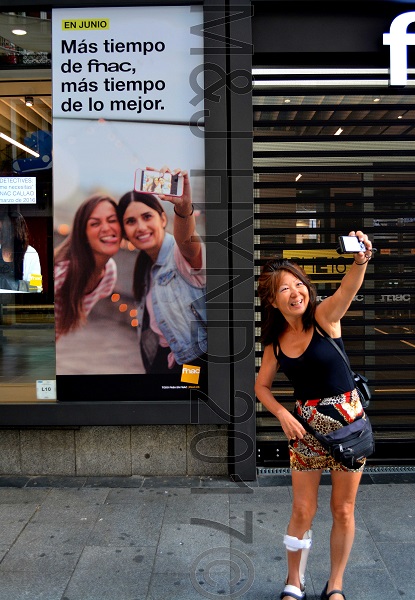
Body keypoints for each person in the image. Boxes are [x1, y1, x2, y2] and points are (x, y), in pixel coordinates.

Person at [255, 230, 373, 600]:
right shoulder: (275, 345)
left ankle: (335, 584)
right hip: (305, 436)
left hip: (349, 430)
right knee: (303, 509)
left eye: (298, 284)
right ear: (273, 301)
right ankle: (294, 581)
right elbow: (261, 387)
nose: (295, 292)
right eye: (284, 289)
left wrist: (360, 260)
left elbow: (346, 290)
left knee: (343, 509)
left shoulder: (324, 319)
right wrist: (282, 415)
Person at [117, 167, 207, 374]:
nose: (140, 227)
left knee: (186, 406)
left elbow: (187, 241)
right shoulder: (145, 266)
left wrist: (183, 209)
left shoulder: (179, 254)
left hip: (192, 363)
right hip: (162, 361)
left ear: (163, 219)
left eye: (147, 217)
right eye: (130, 221)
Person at [54, 194, 121, 339]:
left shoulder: (109, 273)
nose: (106, 228)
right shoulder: (61, 273)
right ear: (83, 234)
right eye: (95, 223)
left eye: (112, 220)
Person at [0, 209, 41, 291]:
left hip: (20, 302)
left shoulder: (31, 253)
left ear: (14, 232)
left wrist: (5, 284)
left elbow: (36, 287)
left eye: (2, 231)